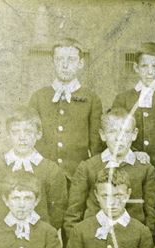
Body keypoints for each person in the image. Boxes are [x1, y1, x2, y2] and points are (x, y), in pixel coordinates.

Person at [64, 107, 155, 238]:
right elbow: (73, 215)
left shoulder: (145, 169)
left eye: (126, 132)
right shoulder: (87, 167)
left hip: (131, 243)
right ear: (103, 134)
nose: (119, 138)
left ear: (134, 134)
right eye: (113, 132)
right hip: (93, 242)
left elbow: (151, 217)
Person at [0, 106, 68, 231]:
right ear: (8, 135)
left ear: (38, 134)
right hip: (3, 238)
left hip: (38, 240)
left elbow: (58, 210)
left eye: (28, 131)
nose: (22, 137)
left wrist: (42, 234)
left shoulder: (51, 170)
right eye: (16, 132)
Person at [29, 37, 103, 180]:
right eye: (59, 59)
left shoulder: (92, 99)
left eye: (71, 60)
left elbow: (96, 145)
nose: (65, 65)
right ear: (53, 62)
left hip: (77, 176)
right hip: (43, 175)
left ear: (80, 63)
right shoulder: (38, 97)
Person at [112, 42, 155, 171]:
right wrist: (133, 152)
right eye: (144, 66)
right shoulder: (123, 98)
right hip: (128, 166)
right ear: (136, 67)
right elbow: (114, 134)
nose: (150, 72)